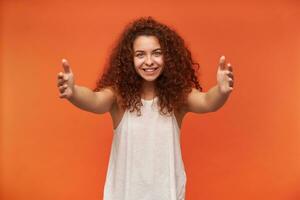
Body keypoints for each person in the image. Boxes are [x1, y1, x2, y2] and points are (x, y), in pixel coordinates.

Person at [56, 16, 234, 200]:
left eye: (156, 53)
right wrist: (73, 92)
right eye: (140, 54)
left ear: (168, 57)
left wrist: (222, 91)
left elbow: (207, 102)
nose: (149, 61)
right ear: (129, 59)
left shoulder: (177, 97)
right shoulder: (119, 97)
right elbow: (94, 100)